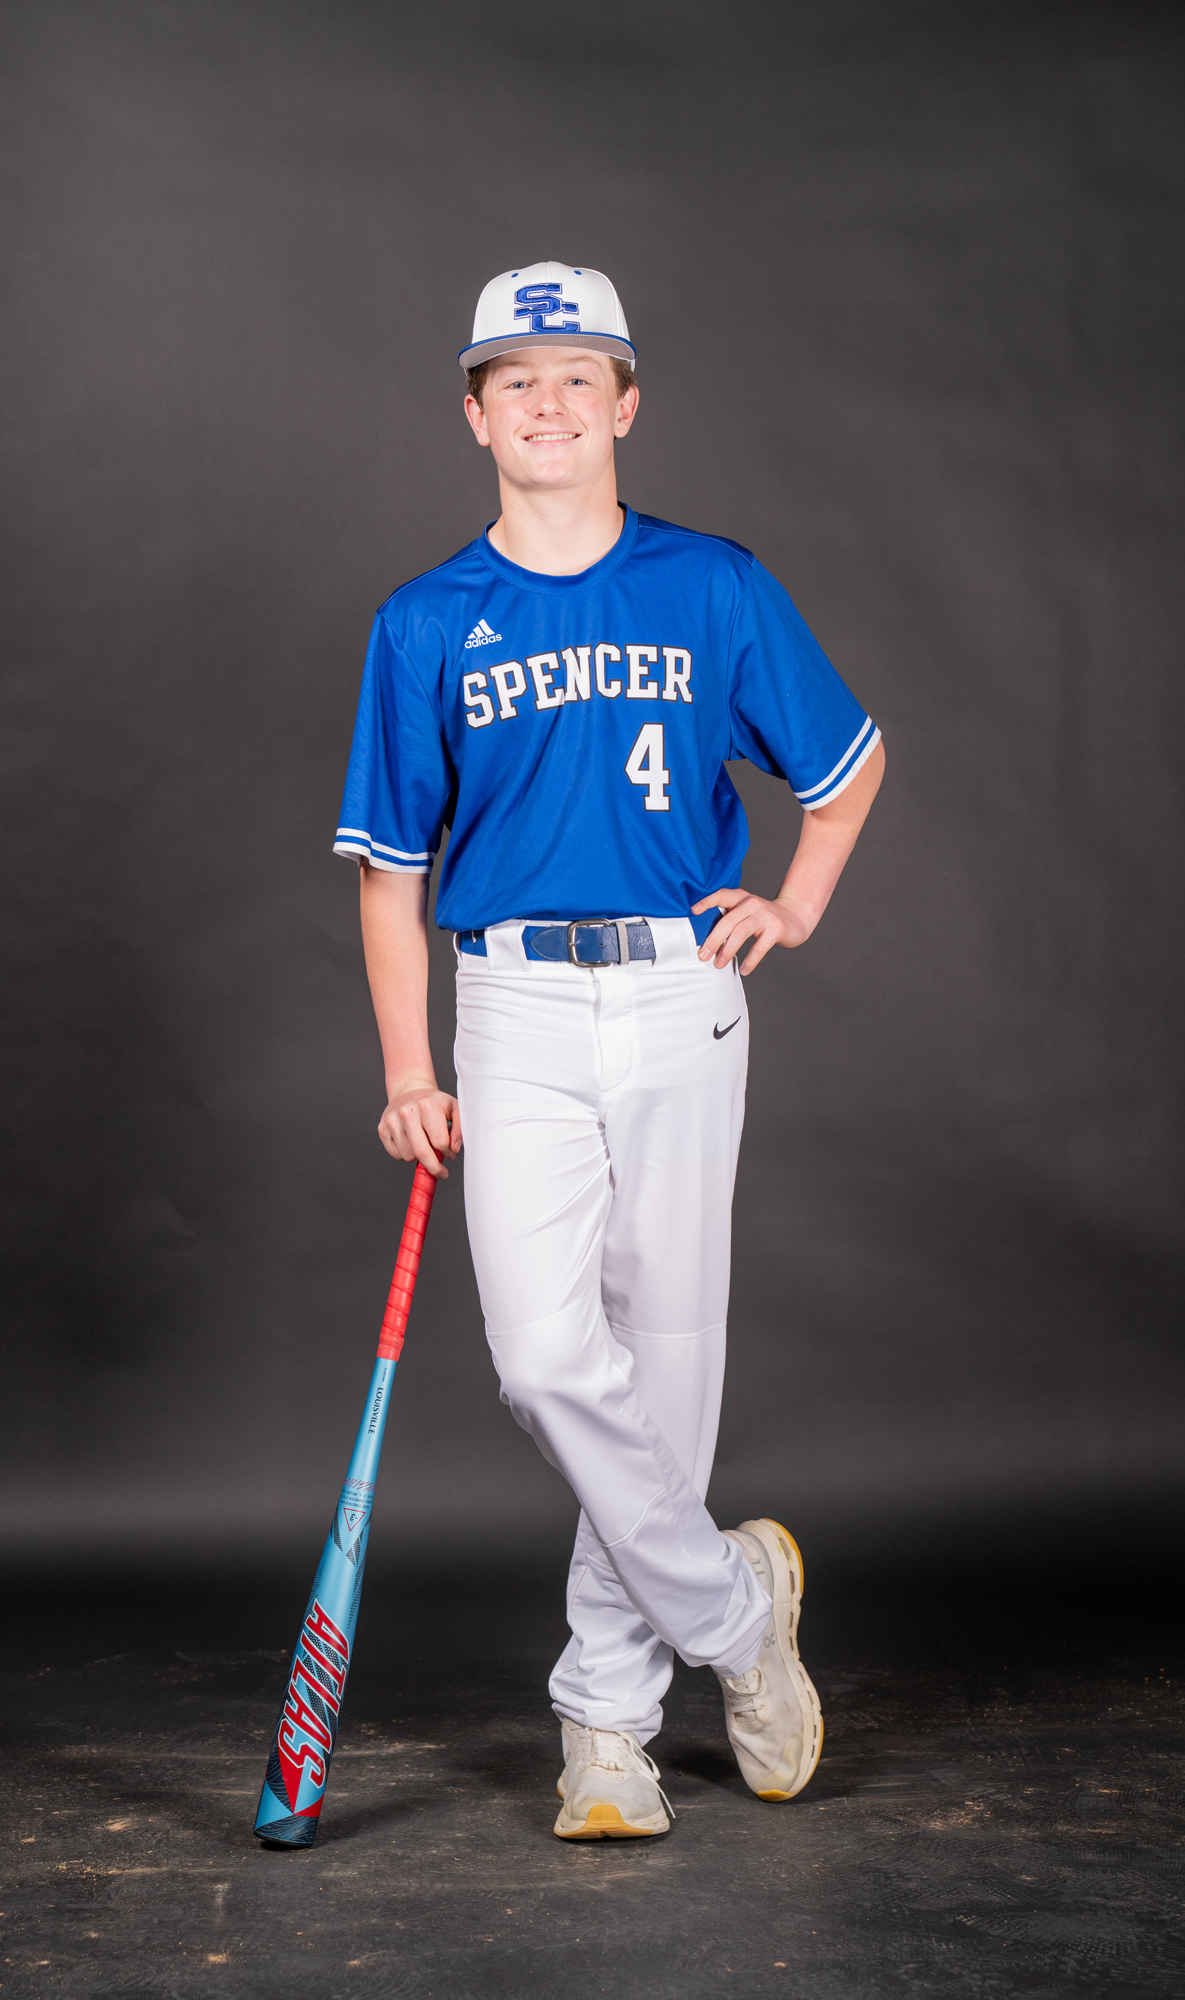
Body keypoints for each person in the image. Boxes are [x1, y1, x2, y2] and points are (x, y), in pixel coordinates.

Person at [334, 262, 884, 1839]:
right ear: (473, 413)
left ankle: (604, 1727)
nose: (550, 401)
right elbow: (390, 874)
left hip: (674, 993)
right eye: (516, 377)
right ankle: (735, 1613)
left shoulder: (710, 585)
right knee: (545, 1359)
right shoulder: (424, 620)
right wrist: (407, 1069)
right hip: (508, 1004)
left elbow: (843, 767)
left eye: (580, 373)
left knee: (668, 1361)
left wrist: (795, 901)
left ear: (626, 403)